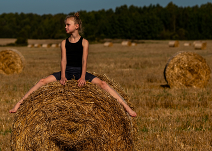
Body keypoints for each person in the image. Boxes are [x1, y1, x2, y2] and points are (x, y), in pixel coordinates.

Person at [9, 12, 137, 117]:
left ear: (76, 26)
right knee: (42, 81)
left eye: (68, 25)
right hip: (67, 71)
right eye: (65, 25)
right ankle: (19, 104)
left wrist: (82, 77)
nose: (65, 27)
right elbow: (63, 60)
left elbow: (84, 61)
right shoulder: (63, 43)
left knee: (103, 84)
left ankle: (126, 108)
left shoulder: (84, 42)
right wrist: (63, 76)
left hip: (80, 71)